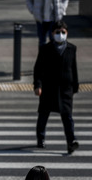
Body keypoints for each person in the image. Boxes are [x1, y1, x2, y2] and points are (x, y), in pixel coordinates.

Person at [34, 20, 79, 154]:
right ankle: (40, 138)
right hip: (49, 87)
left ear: (67, 33)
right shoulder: (45, 49)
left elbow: (73, 68)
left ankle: (71, 141)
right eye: (57, 32)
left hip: (66, 88)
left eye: (63, 32)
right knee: (44, 114)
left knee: (67, 117)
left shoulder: (71, 48)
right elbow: (38, 69)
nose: (60, 35)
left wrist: (75, 86)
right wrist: (38, 85)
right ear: (52, 33)